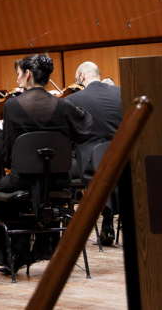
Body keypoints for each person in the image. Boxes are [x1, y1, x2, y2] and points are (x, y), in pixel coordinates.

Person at [0, 55, 93, 271]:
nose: (17, 78)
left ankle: (14, 254)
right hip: (59, 180)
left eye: (18, 73)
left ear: (27, 74)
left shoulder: (13, 106)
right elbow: (85, 129)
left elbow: (7, 155)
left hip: (23, 180)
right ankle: (47, 244)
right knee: (42, 187)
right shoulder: (63, 105)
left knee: (2, 189)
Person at [63, 62, 122, 245]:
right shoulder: (122, 93)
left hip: (89, 165)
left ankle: (72, 225)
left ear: (81, 77)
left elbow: (68, 137)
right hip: (122, 159)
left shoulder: (73, 100)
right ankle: (109, 214)